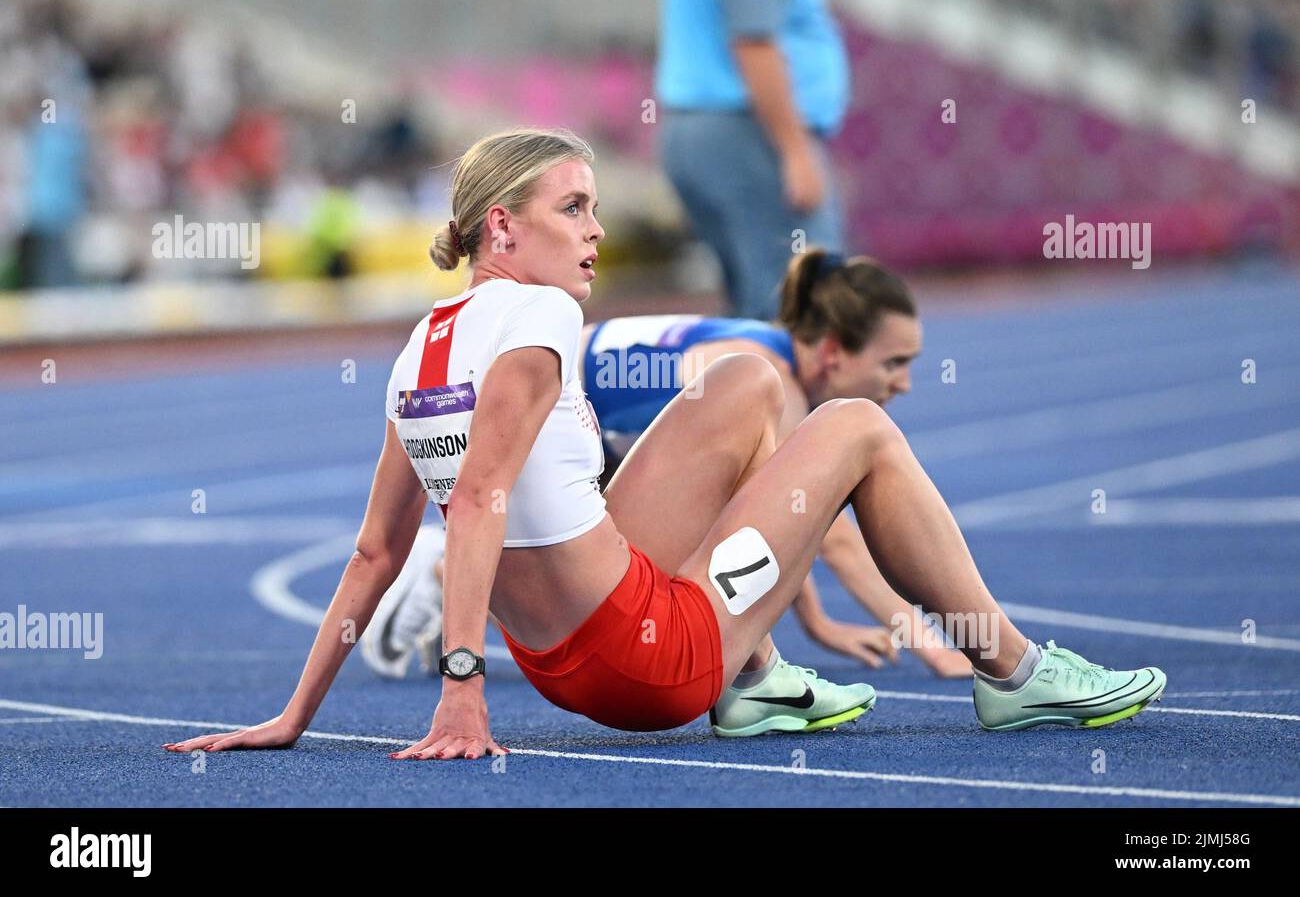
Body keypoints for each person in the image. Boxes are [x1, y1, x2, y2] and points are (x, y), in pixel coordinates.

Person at [164, 128, 1166, 761]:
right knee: (857, 423)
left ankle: (756, 680)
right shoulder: (543, 319)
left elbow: (377, 552)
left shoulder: (416, 348)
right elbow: (477, 499)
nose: (597, 230)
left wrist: (292, 713)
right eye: (574, 208)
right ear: (502, 229)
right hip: (647, 661)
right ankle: (1011, 670)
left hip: (563, 647)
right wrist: (461, 688)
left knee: (745, 381)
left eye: (595, 204)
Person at [368, 250, 969, 680]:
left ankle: (453, 570)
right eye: (893, 363)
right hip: (541, 407)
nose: (905, 383)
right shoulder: (771, 376)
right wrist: (932, 644)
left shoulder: (765, 351)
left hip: (572, 416)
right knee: (607, 578)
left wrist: (813, 619)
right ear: (834, 353)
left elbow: (769, 518)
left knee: (632, 563)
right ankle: (444, 573)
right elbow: (825, 537)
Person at [657, 0, 850, 319]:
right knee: (806, 309)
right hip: (747, 134)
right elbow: (754, 42)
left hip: (703, 127)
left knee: (758, 304)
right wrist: (795, 151)